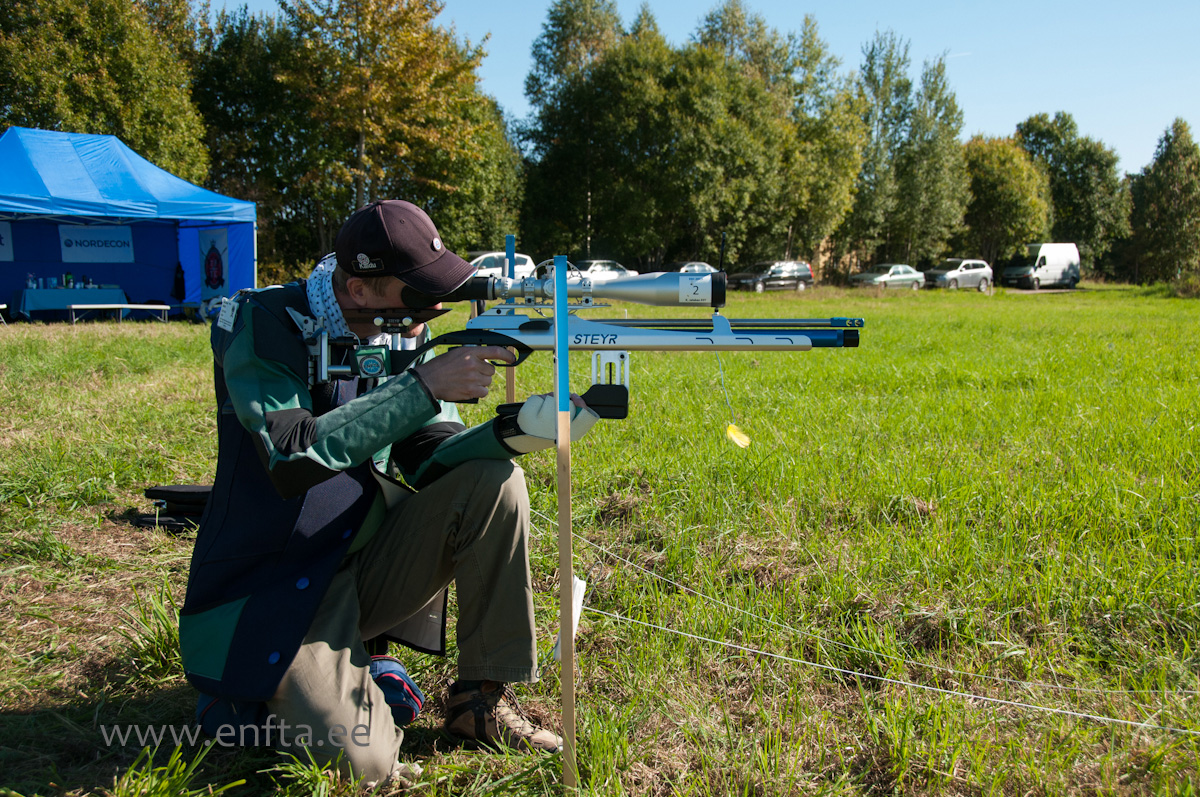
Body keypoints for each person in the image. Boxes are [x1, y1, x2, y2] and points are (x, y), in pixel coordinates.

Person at [180, 200, 599, 784]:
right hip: (273, 586)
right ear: (359, 287)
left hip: (363, 560)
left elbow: (432, 458)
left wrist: (517, 431)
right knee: (364, 763)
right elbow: (290, 456)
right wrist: (422, 383)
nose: (430, 310)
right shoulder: (264, 322)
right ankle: (251, 701)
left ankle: (479, 703)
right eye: (416, 294)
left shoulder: (399, 330)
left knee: (496, 482)